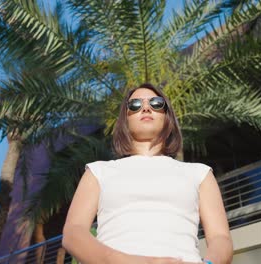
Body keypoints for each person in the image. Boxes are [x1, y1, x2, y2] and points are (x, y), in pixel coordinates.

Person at [62, 83, 233, 264]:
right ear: (124, 121)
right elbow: (73, 232)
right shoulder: (98, 172)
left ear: (167, 117)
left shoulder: (200, 174)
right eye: (135, 104)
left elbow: (220, 237)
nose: (145, 108)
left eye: (156, 103)